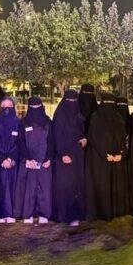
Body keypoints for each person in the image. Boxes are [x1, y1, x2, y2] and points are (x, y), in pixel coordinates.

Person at [85, 93, 130, 221]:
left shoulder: (106, 117)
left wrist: (119, 154)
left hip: (108, 159)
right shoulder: (111, 117)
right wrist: (111, 154)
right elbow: (94, 138)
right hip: (102, 159)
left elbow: (123, 137)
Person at [50, 90, 87, 225]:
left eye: (74, 101)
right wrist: (62, 154)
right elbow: (56, 136)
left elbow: (80, 132)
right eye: (70, 101)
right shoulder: (60, 116)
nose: (72, 103)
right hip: (64, 157)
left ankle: (75, 215)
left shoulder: (78, 115)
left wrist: (84, 139)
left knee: (76, 186)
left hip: (77, 154)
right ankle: (63, 215)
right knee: (64, 186)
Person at [14, 96, 53, 223]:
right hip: (28, 161)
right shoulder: (23, 122)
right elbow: (20, 142)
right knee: (28, 188)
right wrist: (27, 159)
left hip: (44, 160)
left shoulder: (48, 122)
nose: (35, 110)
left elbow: (52, 141)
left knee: (44, 188)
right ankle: (28, 214)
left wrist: (49, 158)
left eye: (38, 107)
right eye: (33, 107)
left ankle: (44, 214)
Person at [0, 97, 20, 224]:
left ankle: (11, 214)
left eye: (9, 106)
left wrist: (11, 158)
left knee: (13, 187)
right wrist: (2, 158)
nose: (7, 109)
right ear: (0, 107)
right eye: (4, 106)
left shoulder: (19, 123)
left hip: (13, 162)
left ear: (13, 107)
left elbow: (20, 143)